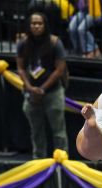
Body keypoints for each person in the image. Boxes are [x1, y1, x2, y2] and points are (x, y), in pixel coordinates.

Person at [16, 12, 68, 159]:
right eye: (34, 23)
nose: (37, 26)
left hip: (53, 92)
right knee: (36, 132)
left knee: (58, 131)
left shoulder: (55, 42)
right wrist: (30, 88)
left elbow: (60, 70)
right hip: (31, 94)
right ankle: (39, 164)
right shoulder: (23, 43)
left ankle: (62, 162)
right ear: (29, 25)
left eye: (40, 23)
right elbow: (20, 68)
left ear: (45, 26)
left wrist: (42, 89)